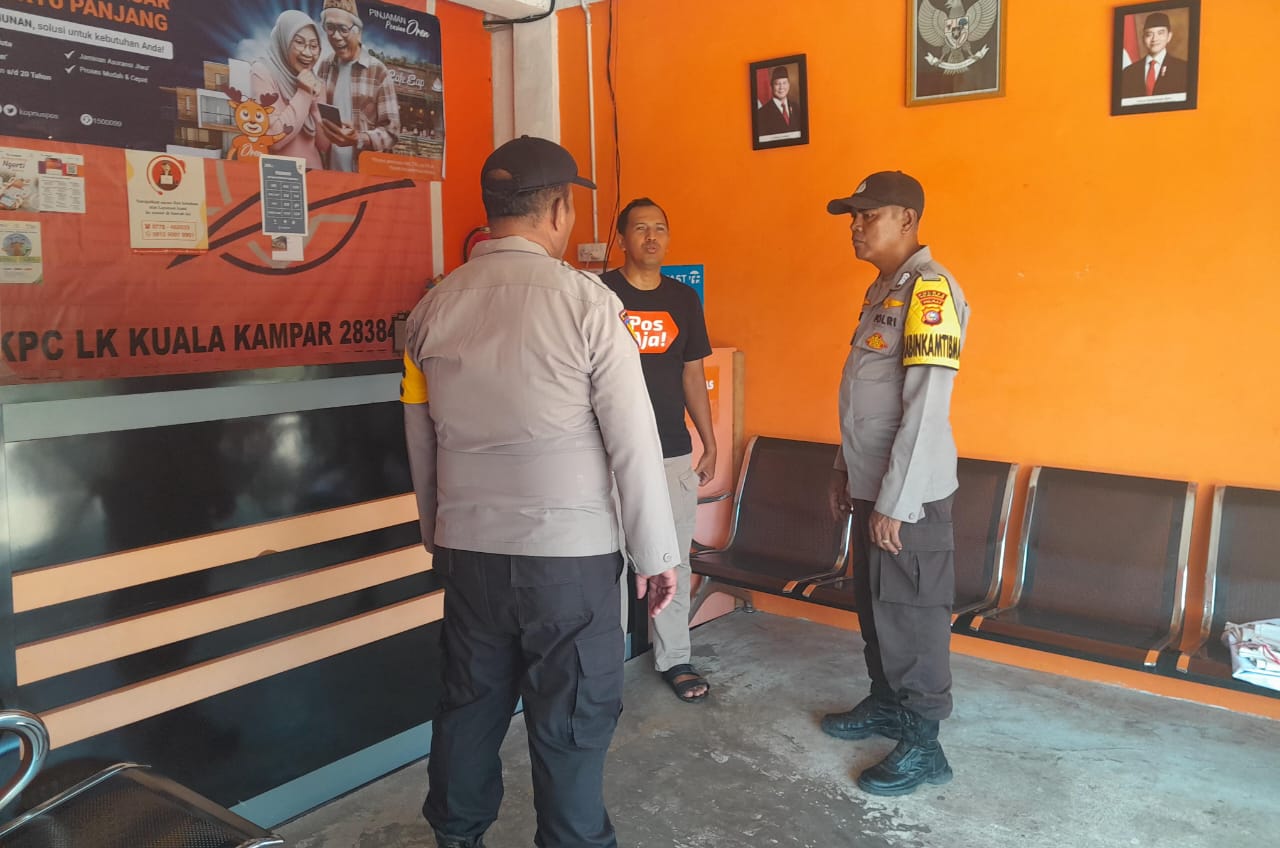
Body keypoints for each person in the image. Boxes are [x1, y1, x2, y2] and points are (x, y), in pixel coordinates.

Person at [402, 135, 681, 848]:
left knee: (468, 707)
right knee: (572, 719)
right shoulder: (590, 305)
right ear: (558, 210)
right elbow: (634, 442)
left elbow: (420, 441)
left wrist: (440, 535)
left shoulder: (430, 309)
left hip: (470, 554)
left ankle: (455, 837)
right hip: (569, 563)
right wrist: (656, 555)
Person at [820, 170, 970, 797]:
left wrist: (897, 502)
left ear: (906, 220)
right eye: (852, 217)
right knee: (876, 607)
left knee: (912, 614)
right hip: (872, 482)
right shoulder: (882, 289)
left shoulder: (931, 290)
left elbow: (926, 406)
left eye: (868, 215)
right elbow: (865, 395)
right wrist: (844, 468)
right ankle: (886, 703)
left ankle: (924, 744)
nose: (856, 227)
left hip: (908, 495)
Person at [601, 198, 716, 704]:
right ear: (622, 238)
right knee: (605, 562)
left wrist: (709, 440)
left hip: (670, 450)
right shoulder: (600, 294)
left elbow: (693, 374)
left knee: (673, 556)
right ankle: (603, 662)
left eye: (660, 228)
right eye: (641, 228)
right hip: (606, 452)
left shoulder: (683, 300)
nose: (651, 237)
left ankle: (674, 658)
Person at [316, 0, 401, 172]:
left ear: (358, 32)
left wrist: (358, 138)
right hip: (328, 171)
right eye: (330, 27)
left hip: (363, 176)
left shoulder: (378, 71)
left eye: (343, 29)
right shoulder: (325, 66)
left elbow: (392, 133)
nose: (336, 36)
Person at [249, 9, 328, 169]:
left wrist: (315, 110)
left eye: (314, 46)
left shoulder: (316, 82)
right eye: (299, 42)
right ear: (284, 41)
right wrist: (304, 93)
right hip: (279, 174)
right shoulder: (262, 72)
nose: (308, 53)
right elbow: (274, 139)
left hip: (315, 175)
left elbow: (324, 145)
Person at [1120, 12, 1188, 99]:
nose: (1154, 39)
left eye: (1160, 33)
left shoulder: (1183, 69)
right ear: (1143, 38)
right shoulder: (1129, 72)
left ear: (1169, 36)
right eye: (1149, 34)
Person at [756, 65, 803, 137]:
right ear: (771, 86)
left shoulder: (797, 108)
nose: (781, 87)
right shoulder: (762, 113)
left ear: (789, 85)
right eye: (777, 84)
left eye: (784, 83)